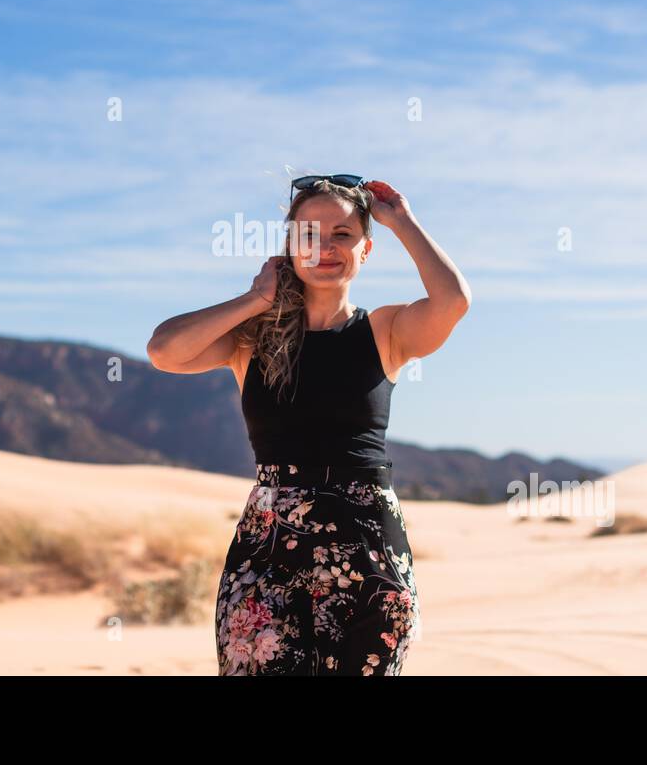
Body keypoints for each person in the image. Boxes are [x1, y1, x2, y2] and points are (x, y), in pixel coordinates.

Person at [147, 176, 471, 674]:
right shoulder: (251, 339)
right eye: (309, 236)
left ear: (365, 250)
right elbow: (165, 351)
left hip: (366, 549)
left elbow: (452, 303)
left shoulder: (385, 330)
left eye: (342, 235)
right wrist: (257, 298)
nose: (325, 248)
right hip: (269, 546)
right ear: (289, 250)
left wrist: (402, 221)